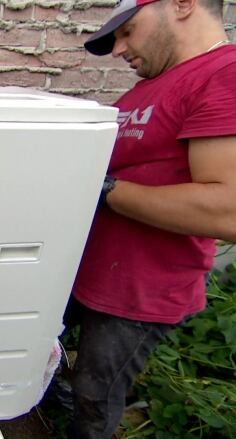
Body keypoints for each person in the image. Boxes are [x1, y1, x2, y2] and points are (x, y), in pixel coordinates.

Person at [64, 0, 236, 437]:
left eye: (127, 30)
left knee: (94, 398)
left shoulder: (224, 75)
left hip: (140, 291)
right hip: (90, 274)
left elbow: (227, 209)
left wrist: (105, 188)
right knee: (58, 370)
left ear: (181, 5)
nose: (120, 48)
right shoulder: (151, 85)